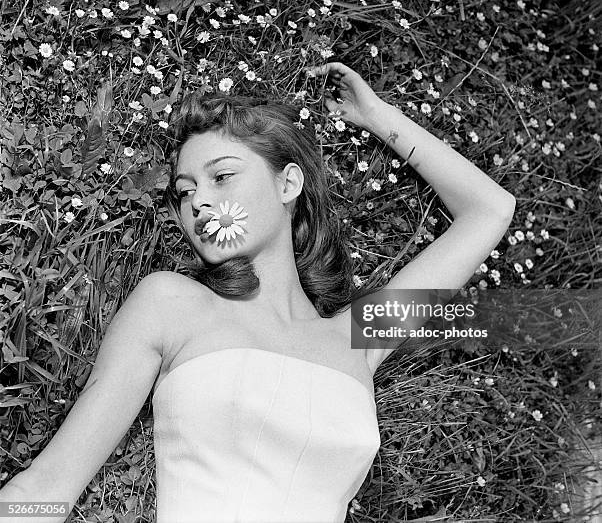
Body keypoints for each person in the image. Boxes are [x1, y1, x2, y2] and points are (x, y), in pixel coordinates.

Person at [0, 62, 516, 522]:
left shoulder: (358, 337)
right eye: (184, 192)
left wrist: (378, 116)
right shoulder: (172, 306)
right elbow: (49, 489)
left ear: (288, 184)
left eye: (222, 176)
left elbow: (489, 211)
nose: (200, 202)